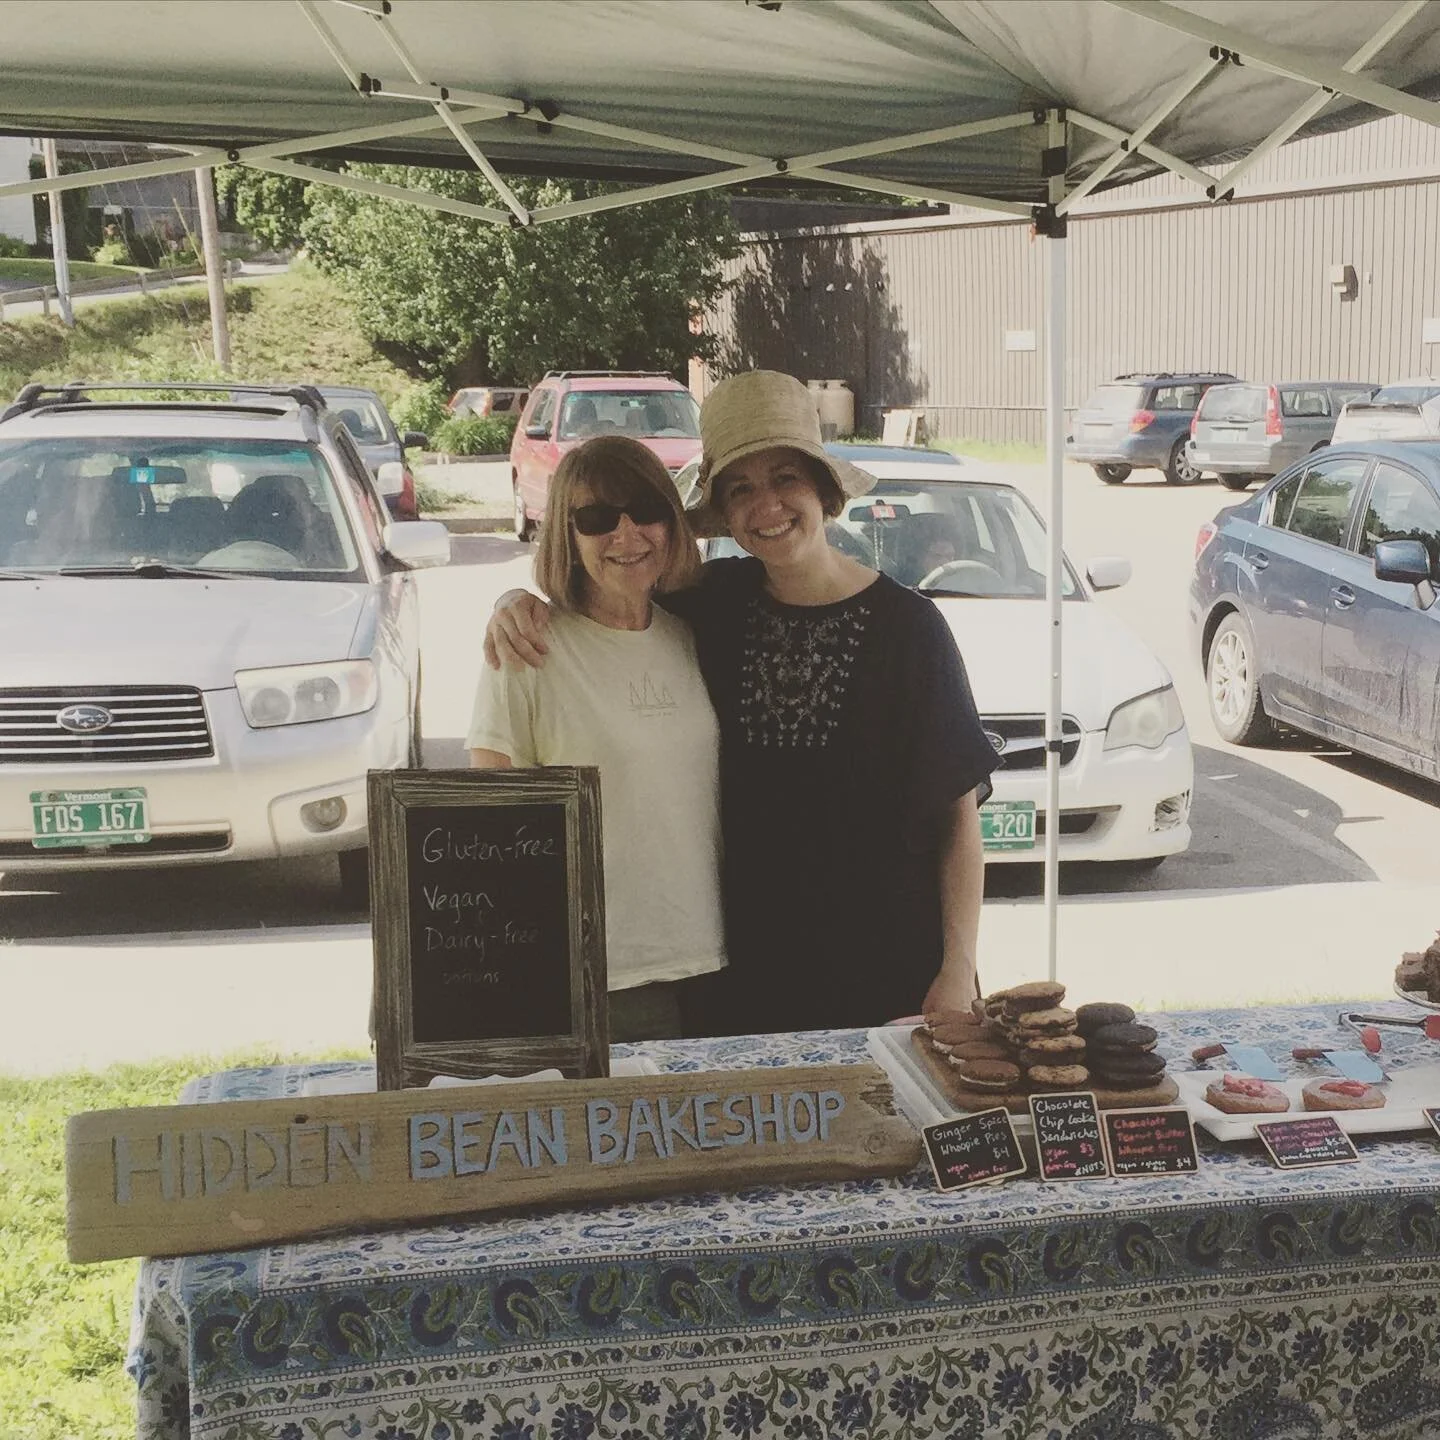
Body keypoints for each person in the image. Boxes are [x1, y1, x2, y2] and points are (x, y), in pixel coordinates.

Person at [486, 371, 999, 1034]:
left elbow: (958, 823)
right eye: (740, 489)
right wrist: (514, 604)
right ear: (722, 512)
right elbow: (604, 594)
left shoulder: (909, 629)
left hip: (890, 969)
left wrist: (958, 967)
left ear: (822, 489)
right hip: (743, 977)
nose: (767, 507)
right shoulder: (712, 604)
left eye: (786, 478)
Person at [468, 434, 726, 1042]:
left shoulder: (692, 636)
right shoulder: (528, 649)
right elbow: (484, 833)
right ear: (566, 532)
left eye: (648, 511)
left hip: (716, 964)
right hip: (599, 978)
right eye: (597, 518)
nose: (626, 534)